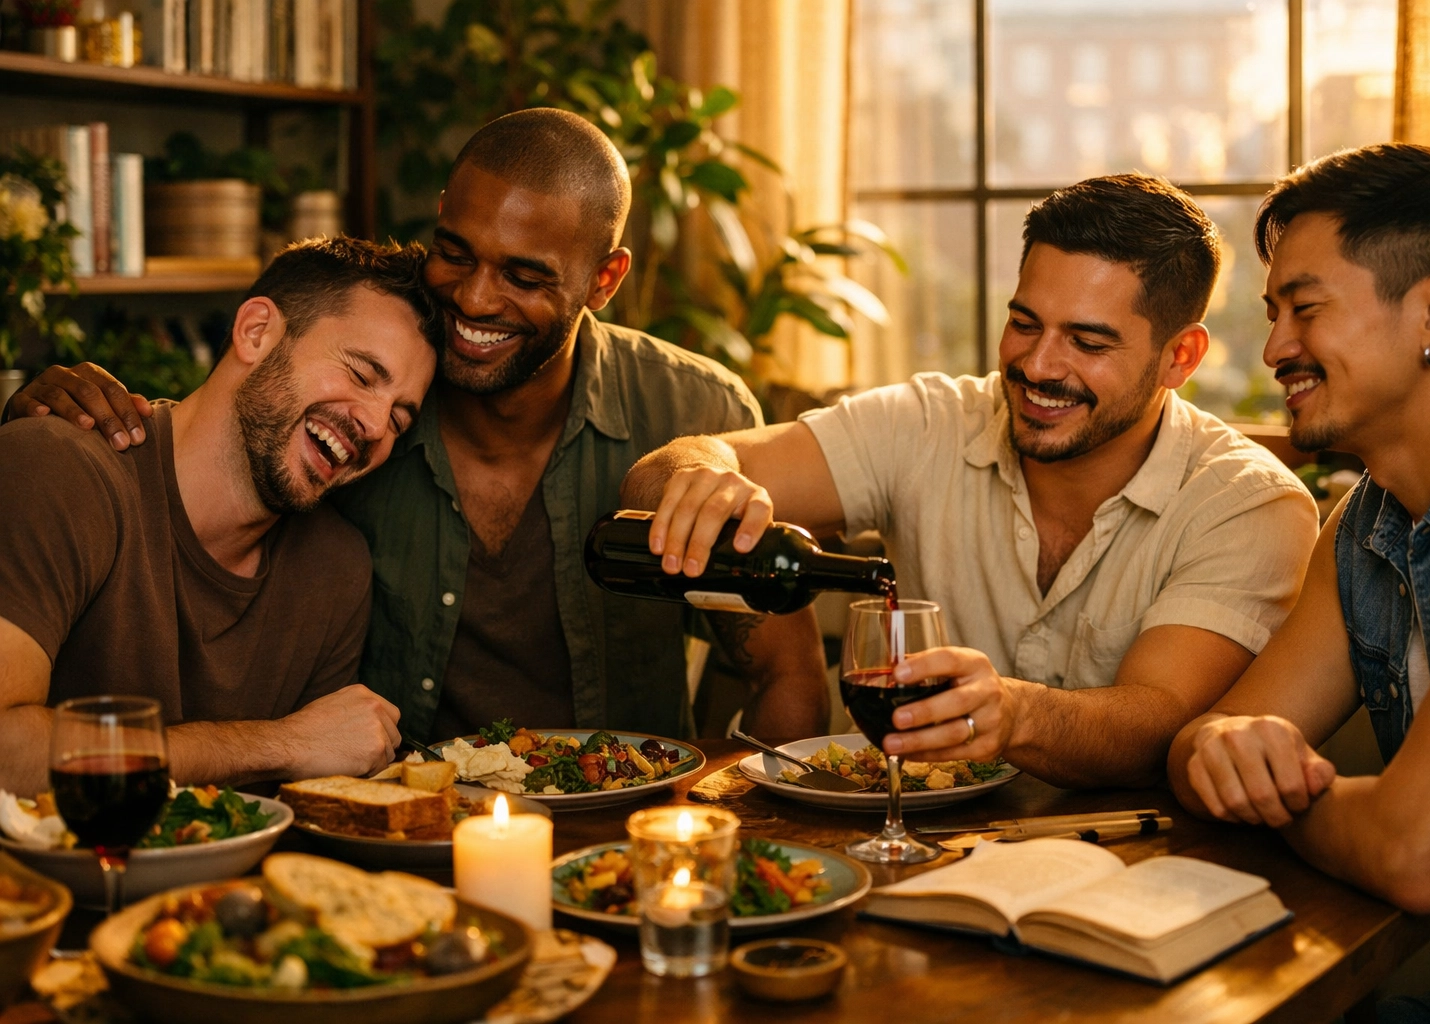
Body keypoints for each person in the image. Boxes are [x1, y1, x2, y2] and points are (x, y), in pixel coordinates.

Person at [7, 109, 828, 744]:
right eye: (457, 251)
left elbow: (781, 674)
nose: (473, 299)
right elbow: (236, 418)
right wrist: (51, 412)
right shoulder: (366, 409)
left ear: (605, 279)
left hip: (620, 840)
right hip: (392, 841)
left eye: (526, 276)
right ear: (439, 218)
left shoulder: (695, 413)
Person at [622, 174, 1319, 789]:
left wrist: (1013, 712)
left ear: (1180, 357)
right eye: (1023, 323)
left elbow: (1159, 719)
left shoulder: (1249, 502)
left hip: (1133, 875)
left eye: (1088, 342)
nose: (1039, 365)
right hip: (906, 847)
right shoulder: (931, 420)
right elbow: (667, 469)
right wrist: (698, 475)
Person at [1166, 144, 1430, 1022]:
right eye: (1273, 314)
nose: (1274, 349)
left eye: (1305, 309)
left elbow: (1417, 852)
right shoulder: (1367, 524)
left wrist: (1279, 799)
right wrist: (1221, 752)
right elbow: (1202, 745)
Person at [0, 237, 439, 794]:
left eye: (400, 420)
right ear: (257, 332)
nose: (375, 426)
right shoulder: (59, 468)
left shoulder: (337, 569)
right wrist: (279, 743)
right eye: (360, 373)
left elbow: (313, 812)